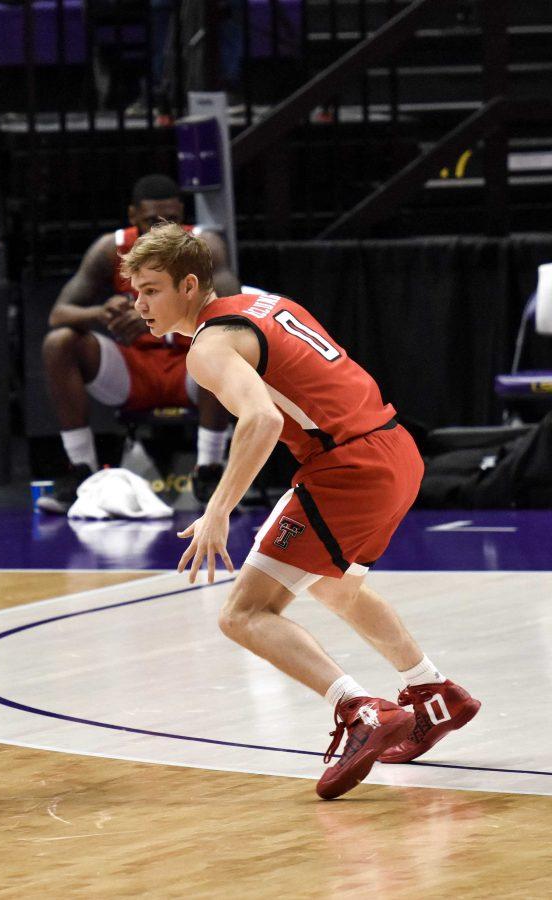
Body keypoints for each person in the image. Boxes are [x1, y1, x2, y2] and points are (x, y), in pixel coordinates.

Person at [124, 223, 479, 800]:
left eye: (152, 290)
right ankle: (434, 694)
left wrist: (218, 509)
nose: (140, 305)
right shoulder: (265, 301)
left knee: (242, 613)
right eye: (135, 291)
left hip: (349, 467)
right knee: (336, 589)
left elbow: (260, 420)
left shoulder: (210, 346)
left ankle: (360, 710)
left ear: (189, 285)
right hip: (395, 449)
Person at [38, 174, 241, 514]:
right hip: (135, 370)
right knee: (59, 342)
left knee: (220, 343)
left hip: (189, 366)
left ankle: (209, 472)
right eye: (151, 222)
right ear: (133, 216)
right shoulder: (110, 248)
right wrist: (101, 313)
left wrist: (167, 319)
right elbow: (59, 313)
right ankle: (82, 472)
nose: (162, 230)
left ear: (182, 213)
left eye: (171, 221)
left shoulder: (205, 246)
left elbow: (234, 309)